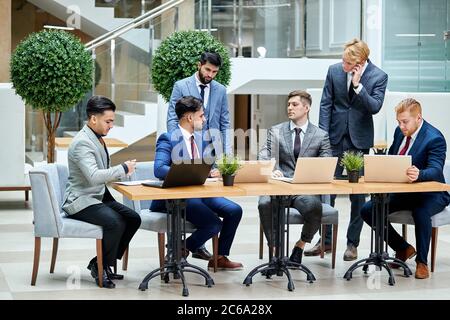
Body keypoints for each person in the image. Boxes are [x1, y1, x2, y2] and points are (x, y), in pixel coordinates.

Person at [313, 38, 388, 261]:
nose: (342, 64)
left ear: (360, 62)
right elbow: (326, 103)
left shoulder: (378, 76)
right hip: (334, 137)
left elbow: (374, 107)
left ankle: (352, 244)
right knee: (327, 190)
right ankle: (324, 241)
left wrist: (358, 86)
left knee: (358, 196)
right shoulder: (334, 71)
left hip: (359, 140)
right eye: (343, 60)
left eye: (347, 62)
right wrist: (323, 136)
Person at [151, 96, 243, 271]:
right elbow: (159, 169)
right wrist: (189, 172)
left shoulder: (201, 139)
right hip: (175, 196)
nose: (205, 119)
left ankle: (219, 257)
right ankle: (180, 249)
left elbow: (203, 167)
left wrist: (212, 171)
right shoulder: (168, 138)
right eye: (201, 115)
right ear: (190, 118)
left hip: (200, 192)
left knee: (234, 210)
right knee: (214, 223)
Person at [361, 98, 450, 279]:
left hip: (431, 194)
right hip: (404, 191)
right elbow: (394, 158)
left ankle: (422, 262)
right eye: (399, 122)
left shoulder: (435, 138)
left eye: (405, 122)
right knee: (368, 209)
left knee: (421, 212)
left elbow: (436, 169)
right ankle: (403, 248)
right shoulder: (400, 132)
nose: (401, 126)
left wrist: (420, 174)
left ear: (418, 118)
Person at [62, 96, 142, 289]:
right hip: (81, 200)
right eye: (108, 121)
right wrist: (122, 168)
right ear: (93, 119)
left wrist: (124, 173)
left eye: (112, 121)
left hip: (98, 196)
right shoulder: (82, 142)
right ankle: (101, 266)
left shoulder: (96, 138)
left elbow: (101, 173)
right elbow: (93, 176)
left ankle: (100, 263)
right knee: (115, 223)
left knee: (133, 219)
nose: (111, 125)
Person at [166, 51, 231, 260]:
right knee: (184, 197)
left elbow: (224, 122)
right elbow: (171, 119)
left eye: (214, 72)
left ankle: (198, 245)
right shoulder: (181, 85)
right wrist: (178, 146)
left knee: (209, 197)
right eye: (207, 70)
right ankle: (175, 248)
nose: (210, 74)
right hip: (185, 149)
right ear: (199, 65)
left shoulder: (220, 90)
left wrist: (225, 155)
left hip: (210, 151)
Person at [258, 90, 332, 265]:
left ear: (306, 108)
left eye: (294, 104)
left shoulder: (321, 135)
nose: (289, 108)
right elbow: (264, 156)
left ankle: (300, 245)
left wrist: (311, 173)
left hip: (303, 189)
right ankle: (275, 252)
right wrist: (271, 169)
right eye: (288, 104)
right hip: (278, 186)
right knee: (263, 203)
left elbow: (326, 163)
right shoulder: (276, 131)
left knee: (314, 206)